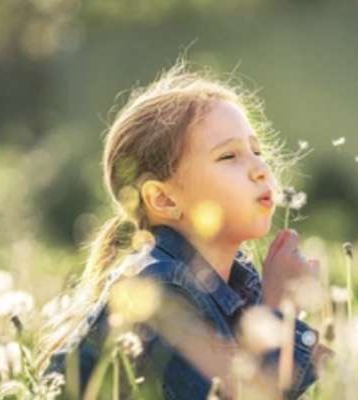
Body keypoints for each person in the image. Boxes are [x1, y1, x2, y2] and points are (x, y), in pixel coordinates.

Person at [34, 58, 329, 399]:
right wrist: (281, 309)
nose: (260, 168)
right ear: (163, 199)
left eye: (256, 150)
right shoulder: (159, 292)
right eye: (228, 157)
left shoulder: (234, 282)